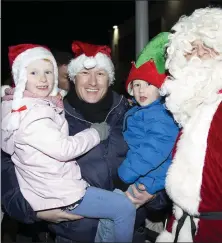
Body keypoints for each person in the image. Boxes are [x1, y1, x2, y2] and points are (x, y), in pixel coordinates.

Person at [1, 41, 169, 243]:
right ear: (72, 77)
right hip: (73, 234)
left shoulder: (132, 113)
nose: (93, 82)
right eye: (84, 73)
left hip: (128, 231)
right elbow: (8, 171)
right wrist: (34, 212)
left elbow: (167, 156)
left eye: (100, 74)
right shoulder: (51, 115)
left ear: (110, 79)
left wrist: (154, 195)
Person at [96, 32, 179, 242]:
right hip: (142, 176)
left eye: (148, 84)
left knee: (110, 218)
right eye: (137, 85)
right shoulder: (144, 110)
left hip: (144, 179)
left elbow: (151, 151)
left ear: (161, 88)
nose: (142, 90)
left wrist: (124, 175)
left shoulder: (161, 115)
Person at [156, 7, 222, 243]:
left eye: (208, 47)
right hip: (184, 224)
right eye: (192, 48)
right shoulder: (192, 107)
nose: (199, 55)